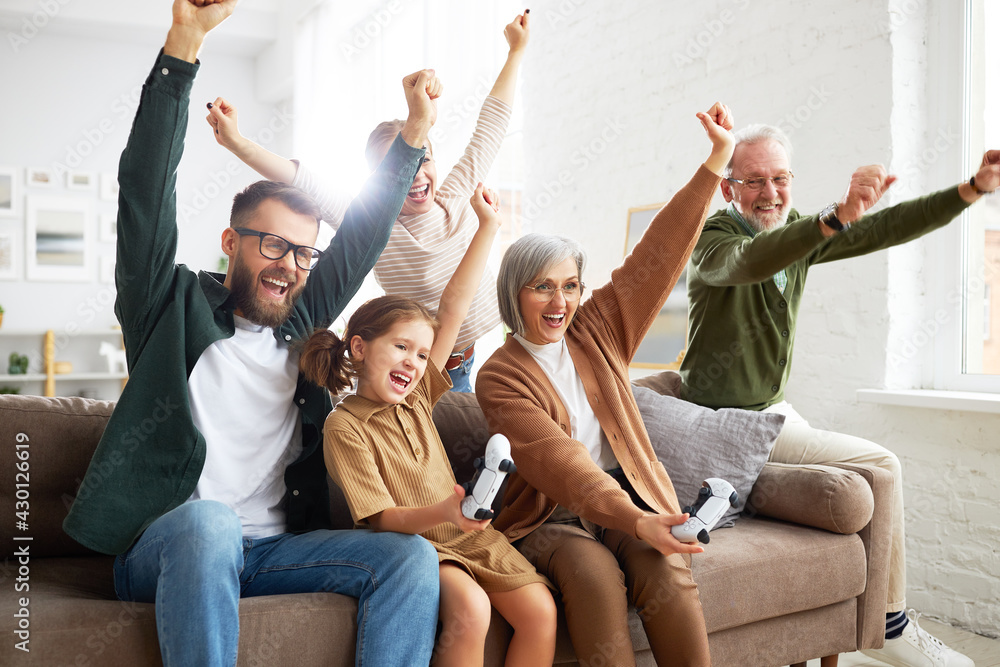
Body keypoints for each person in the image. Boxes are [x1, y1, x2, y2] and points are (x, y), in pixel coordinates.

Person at [61, 2, 445, 665]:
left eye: (302, 252)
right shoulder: (168, 303)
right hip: (168, 543)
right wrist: (183, 45)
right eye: (273, 244)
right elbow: (144, 193)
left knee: (408, 557)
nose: (290, 264)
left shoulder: (299, 327)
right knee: (210, 523)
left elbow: (361, 236)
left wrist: (413, 132)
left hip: (271, 550)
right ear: (231, 243)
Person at [680, 122, 999, 667]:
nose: (770, 193)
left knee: (863, 473)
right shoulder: (713, 240)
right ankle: (893, 625)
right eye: (754, 181)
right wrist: (831, 219)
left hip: (771, 412)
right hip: (723, 421)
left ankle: (874, 618)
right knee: (884, 462)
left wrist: (971, 188)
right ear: (728, 188)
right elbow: (751, 261)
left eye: (780, 178)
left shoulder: (801, 234)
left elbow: (884, 229)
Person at [475, 103, 736, 667]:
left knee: (664, 566)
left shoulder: (597, 331)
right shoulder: (499, 374)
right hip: (550, 514)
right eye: (542, 287)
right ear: (514, 293)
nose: (560, 302)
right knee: (594, 578)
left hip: (628, 496)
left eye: (570, 286)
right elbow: (558, 460)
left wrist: (716, 161)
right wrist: (636, 519)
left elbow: (658, 257)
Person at [206, 10, 532, 393]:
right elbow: (300, 178)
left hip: (498, 350)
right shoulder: (372, 226)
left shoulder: (454, 194)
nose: (415, 175)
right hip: (434, 369)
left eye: (423, 159)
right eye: (398, 168)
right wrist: (238, 143)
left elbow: (491, 126)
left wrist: (515, 52)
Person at [300, 183, 557, 667]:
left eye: (421, 354)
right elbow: (382, 519)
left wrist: (488, 227)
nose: (414, 362)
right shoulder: (344, 427)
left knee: (541, 611)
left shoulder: (418, 398)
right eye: (401, 347)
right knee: (472, 611)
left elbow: (454, 308)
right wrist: (444, 511)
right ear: (358, 348)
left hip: (471, 533)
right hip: (415, 546)